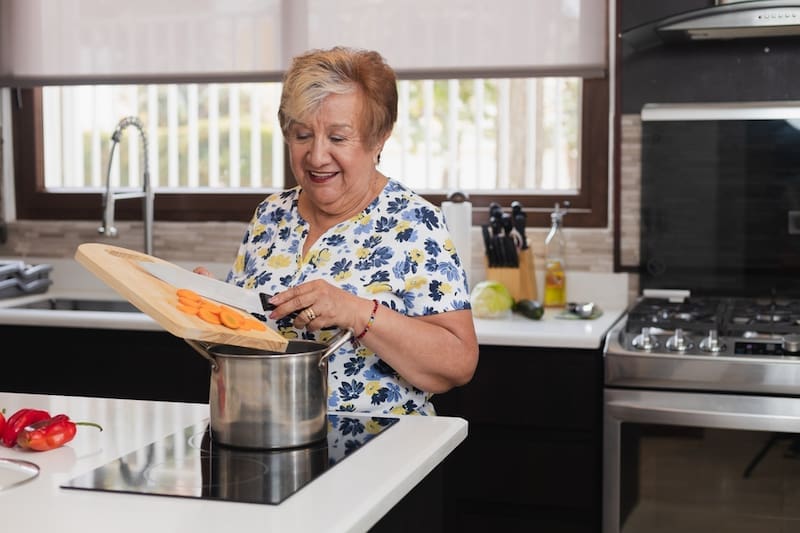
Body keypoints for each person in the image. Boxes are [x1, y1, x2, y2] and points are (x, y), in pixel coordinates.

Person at [211, 46, 478, 416]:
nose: (317, 156)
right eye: (303, 135)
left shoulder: (414, 222)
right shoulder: (271, 215)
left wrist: (356, 312)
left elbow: (458, 363)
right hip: (261, 436)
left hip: (381, 452)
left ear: (378, 137)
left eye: (338, 138)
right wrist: (206, 308)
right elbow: (241, 335)